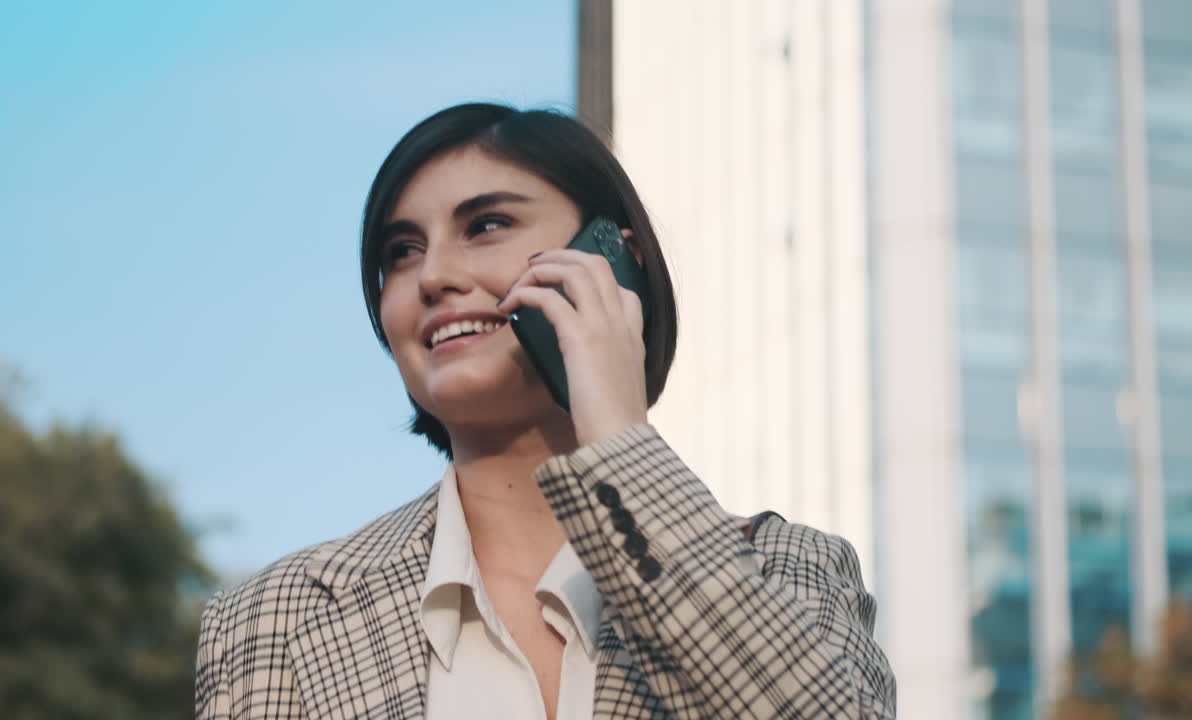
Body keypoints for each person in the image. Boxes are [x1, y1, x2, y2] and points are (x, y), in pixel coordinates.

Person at [195, 103, 896, 719]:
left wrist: (619, 438)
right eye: (401, 252)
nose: (433, 276)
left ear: (615, 260)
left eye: (486, 225)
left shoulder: (788, 567)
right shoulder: (268, 621)